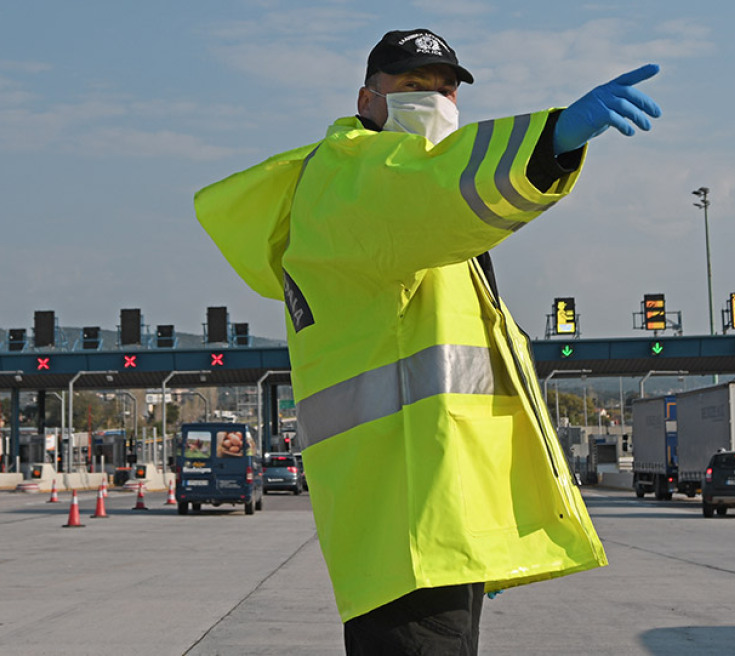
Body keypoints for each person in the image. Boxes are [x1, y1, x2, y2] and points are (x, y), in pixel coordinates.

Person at [195, 28, 662, 655]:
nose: (435, 102)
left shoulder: (403, 213)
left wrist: (478, 528)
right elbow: (436, 191)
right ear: (367, 102)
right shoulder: (350, 179)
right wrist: (548, 143)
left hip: (430, 518)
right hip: (407, 526)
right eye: (412, 88)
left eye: (445, 89)